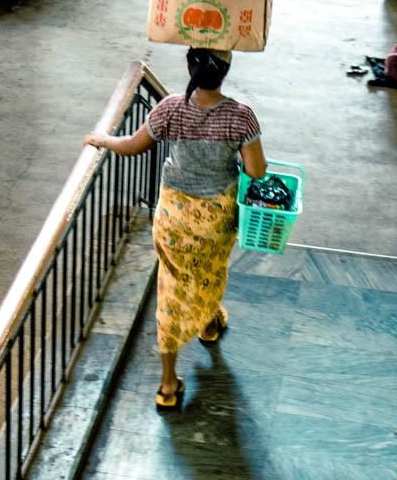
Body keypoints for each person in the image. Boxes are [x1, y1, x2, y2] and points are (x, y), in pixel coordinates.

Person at [85, 48, 267, 410]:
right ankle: (208, 323)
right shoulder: (241, 116)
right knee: (210, 272)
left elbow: (132, 146)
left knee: (171, 287)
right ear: (227, 70)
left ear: (190, 66)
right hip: (215, 217)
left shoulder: (170, 108)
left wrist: (103, 138)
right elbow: (257, 171)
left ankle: (168, 385)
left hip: (173, 217)